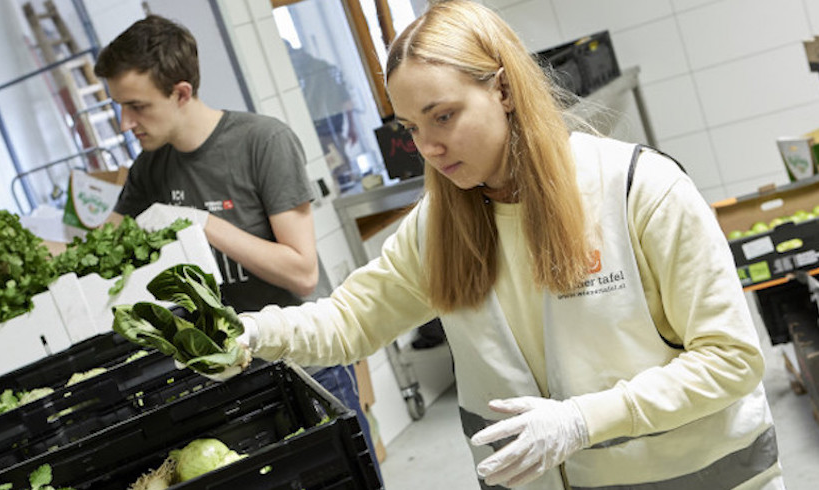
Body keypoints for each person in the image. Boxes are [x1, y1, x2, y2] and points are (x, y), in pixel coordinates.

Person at [220, 1, 784, 489]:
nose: (429, 148)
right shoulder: (438, 226)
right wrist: (249, 335)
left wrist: (582, 420)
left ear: (506, 89)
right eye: (412, 128)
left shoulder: (638, 191)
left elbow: (730, 358)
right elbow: (350, 322)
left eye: (444, 116)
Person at [0, 14, 381, 477]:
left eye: (136, 106)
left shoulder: (263, 141)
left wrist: (203, 223)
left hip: (303, 360)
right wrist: (6, 243)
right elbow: (94, 255)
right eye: (120, 106)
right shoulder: (150, 169)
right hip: (230, 369)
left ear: (181, 92)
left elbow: (302, 272)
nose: (125, 122)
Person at [285, 41, 360, 191]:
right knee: (337, 158)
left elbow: (345, 98)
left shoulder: (303, 73)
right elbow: (346, 99)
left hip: (322, 124)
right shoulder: (321, 66)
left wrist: (351, 126)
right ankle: (345, 182)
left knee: (335, 162)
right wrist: (351, 126)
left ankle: (344, 185)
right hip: (331, 123)